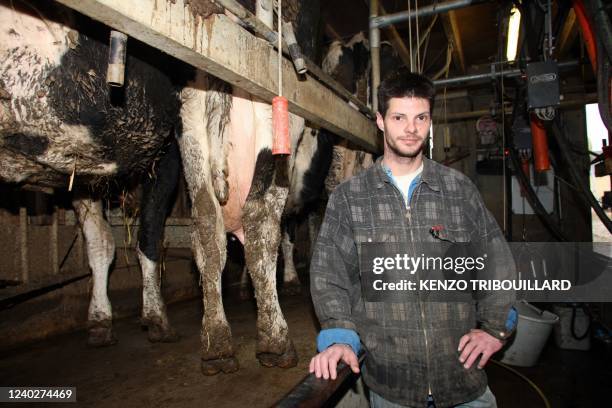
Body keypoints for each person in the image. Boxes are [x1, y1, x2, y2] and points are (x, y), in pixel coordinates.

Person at [308, 70, 517, 408]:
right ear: (380, 121)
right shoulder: (351, 197)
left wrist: (495, 327)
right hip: (393, 386)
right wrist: (339, 334)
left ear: (430, 120)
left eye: (421, 117)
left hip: (463, 380)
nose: (411, 128)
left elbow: (496, 260)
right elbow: (329, 274)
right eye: (399, 117)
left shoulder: (458, 190)